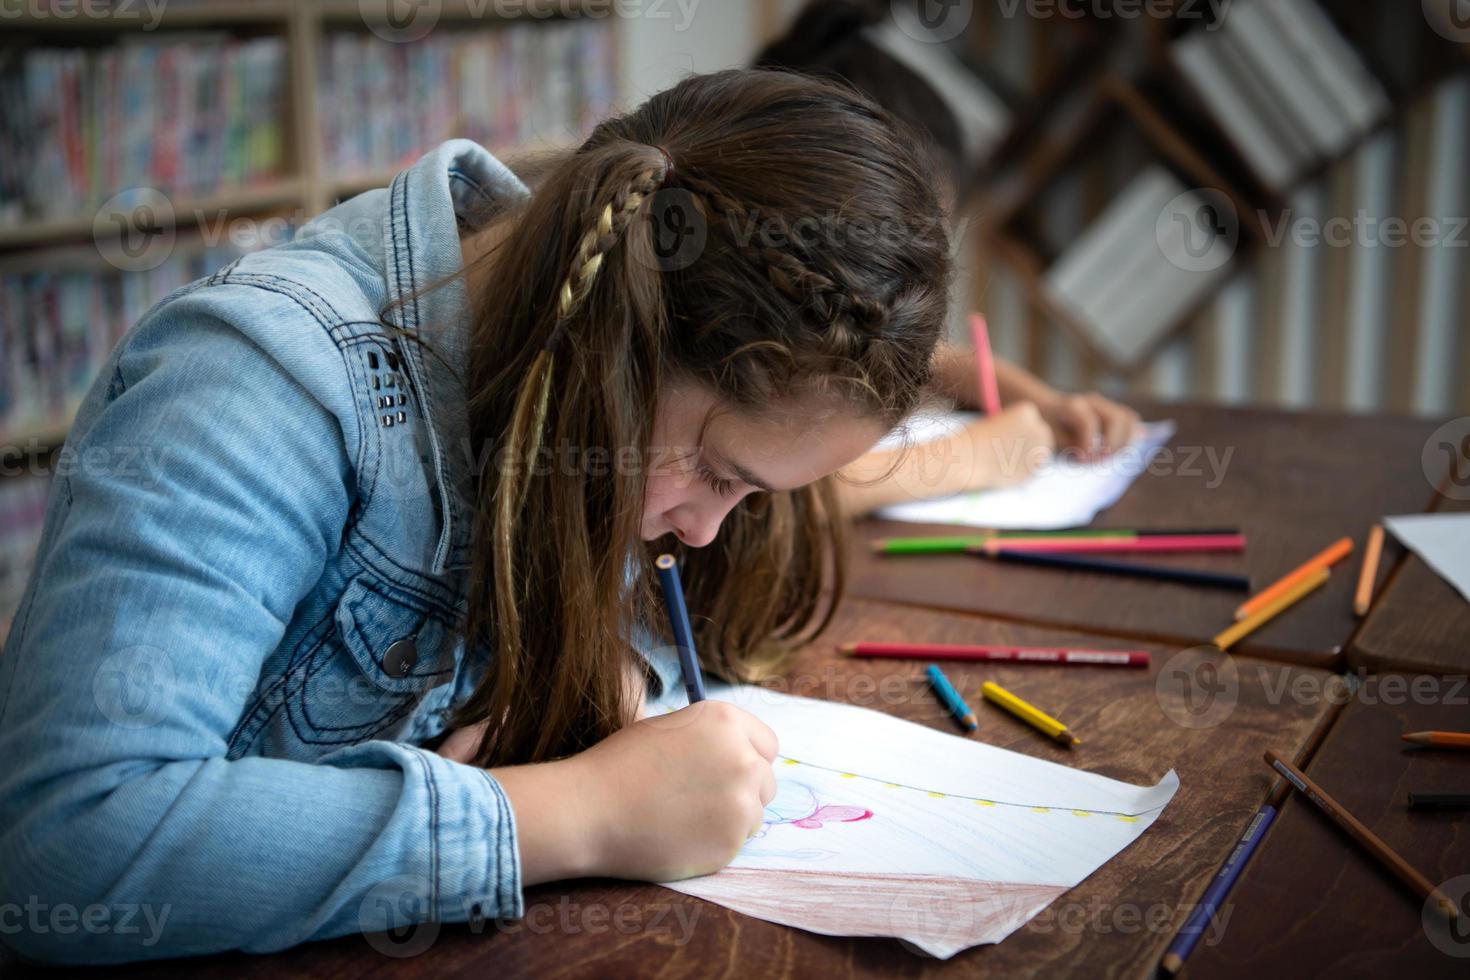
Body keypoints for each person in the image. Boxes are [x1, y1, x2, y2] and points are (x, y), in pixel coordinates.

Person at [0, 69, 954, 963]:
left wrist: (597, 680)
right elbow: (66, 841)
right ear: (612, 347)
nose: (702, 529)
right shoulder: (252, 387)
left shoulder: (575, 361)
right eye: (713, 471)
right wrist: (575, 812)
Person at [756, 0, 1141, 516]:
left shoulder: (826, 303)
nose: (921, 275)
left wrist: (1043, 401)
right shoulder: (741, 315)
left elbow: (928, 358)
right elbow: (769, 496)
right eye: (905, 244)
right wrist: (969, 457)